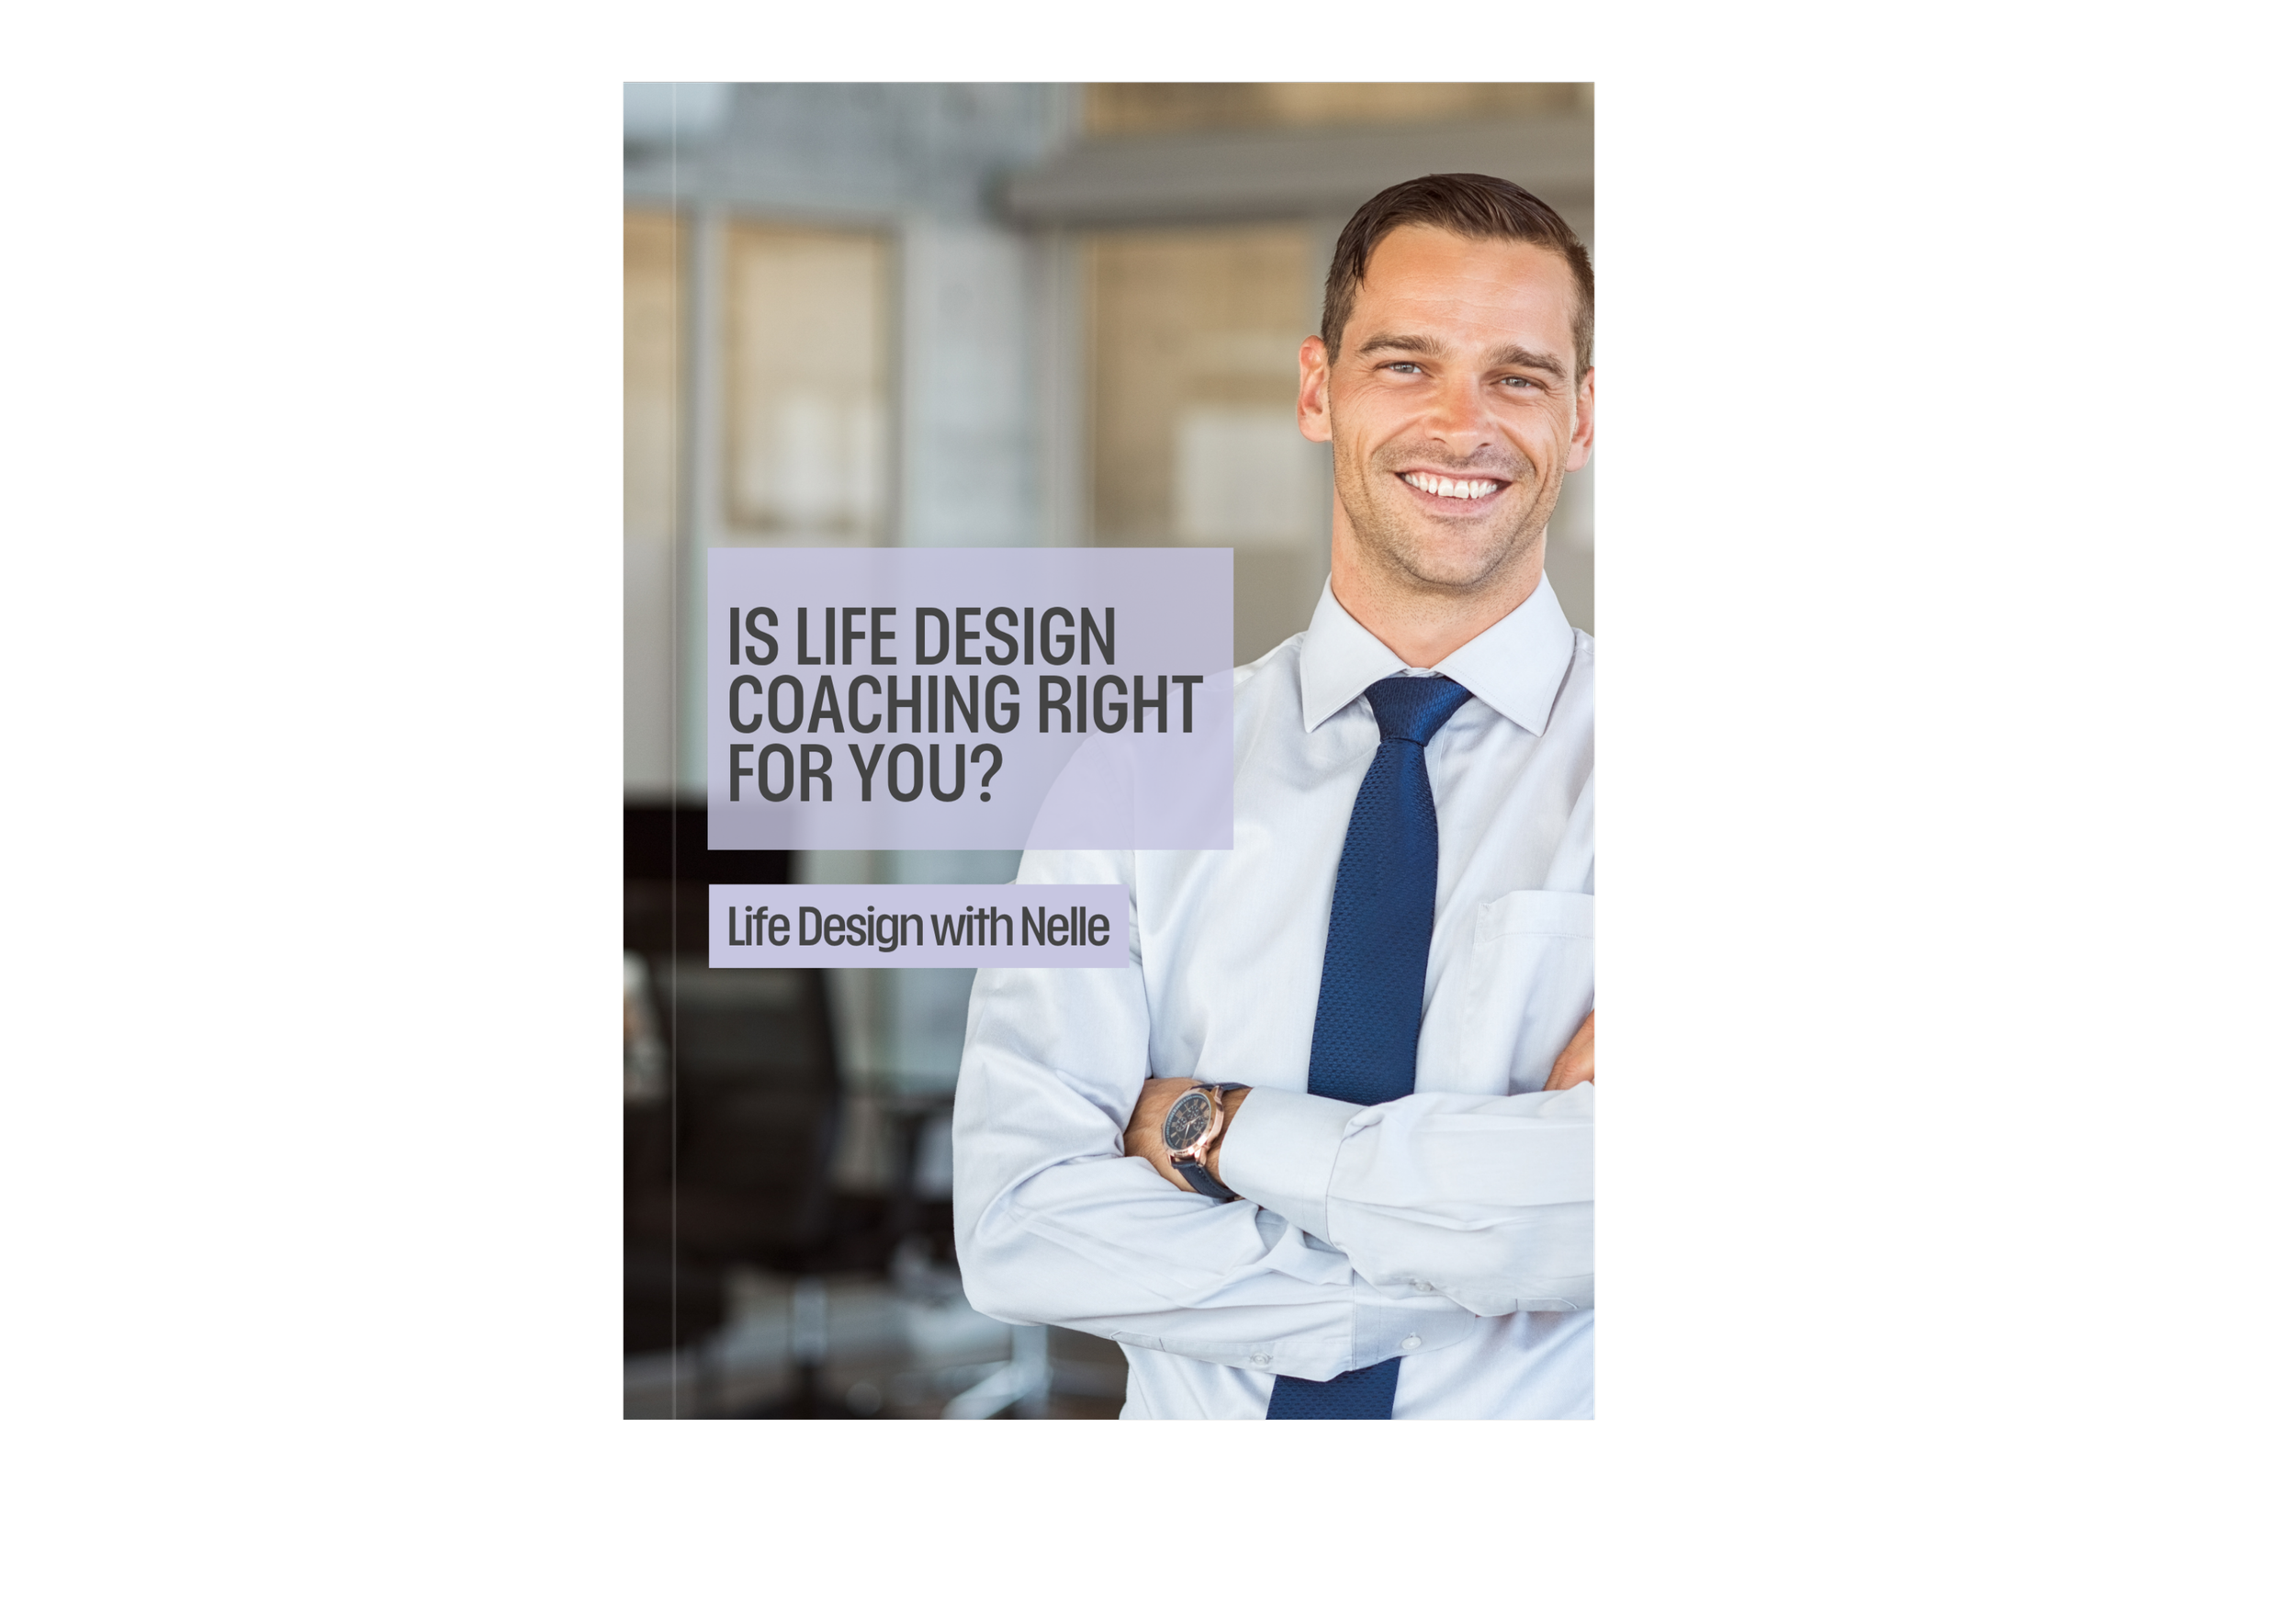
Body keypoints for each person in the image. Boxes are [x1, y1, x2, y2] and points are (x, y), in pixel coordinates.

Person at [953, 173, 1596, 1420]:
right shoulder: (1130, 774)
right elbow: (1019, 1220)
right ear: (1318, 390)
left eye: (1518, 377)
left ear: (1581, 420)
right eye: (1405, 364)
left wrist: (1223, 1128)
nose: (1460, 424)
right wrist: (1483, 1258)